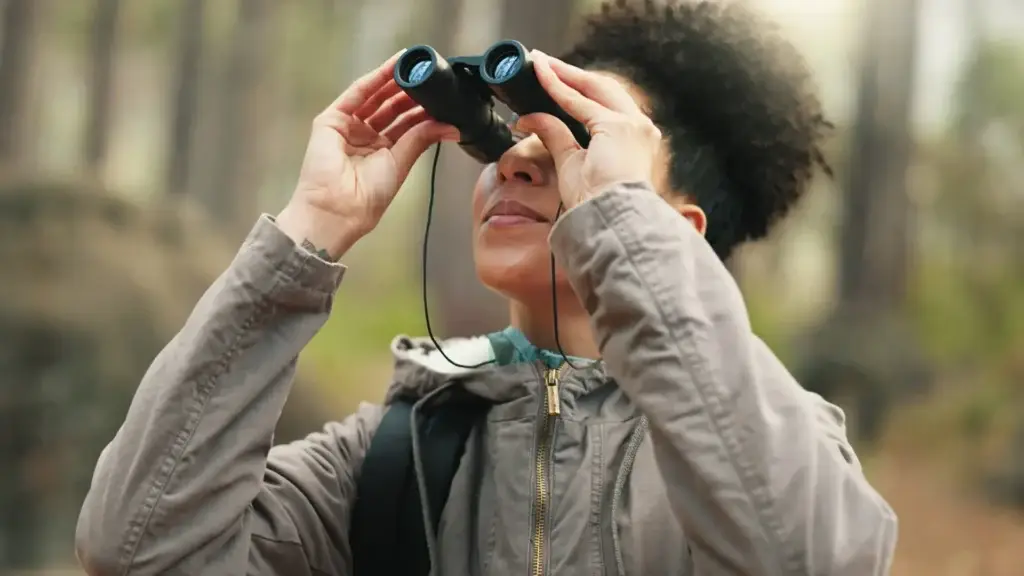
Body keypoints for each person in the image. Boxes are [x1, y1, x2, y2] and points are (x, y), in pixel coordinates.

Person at [75, 0, 897, 574]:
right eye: (515, 135)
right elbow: (141, 548)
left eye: (575, 142)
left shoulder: (760, 441)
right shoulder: (394, 455)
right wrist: (308, 232)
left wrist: (615, 214)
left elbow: (810, 557)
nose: (518, 157)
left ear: (669, 232)